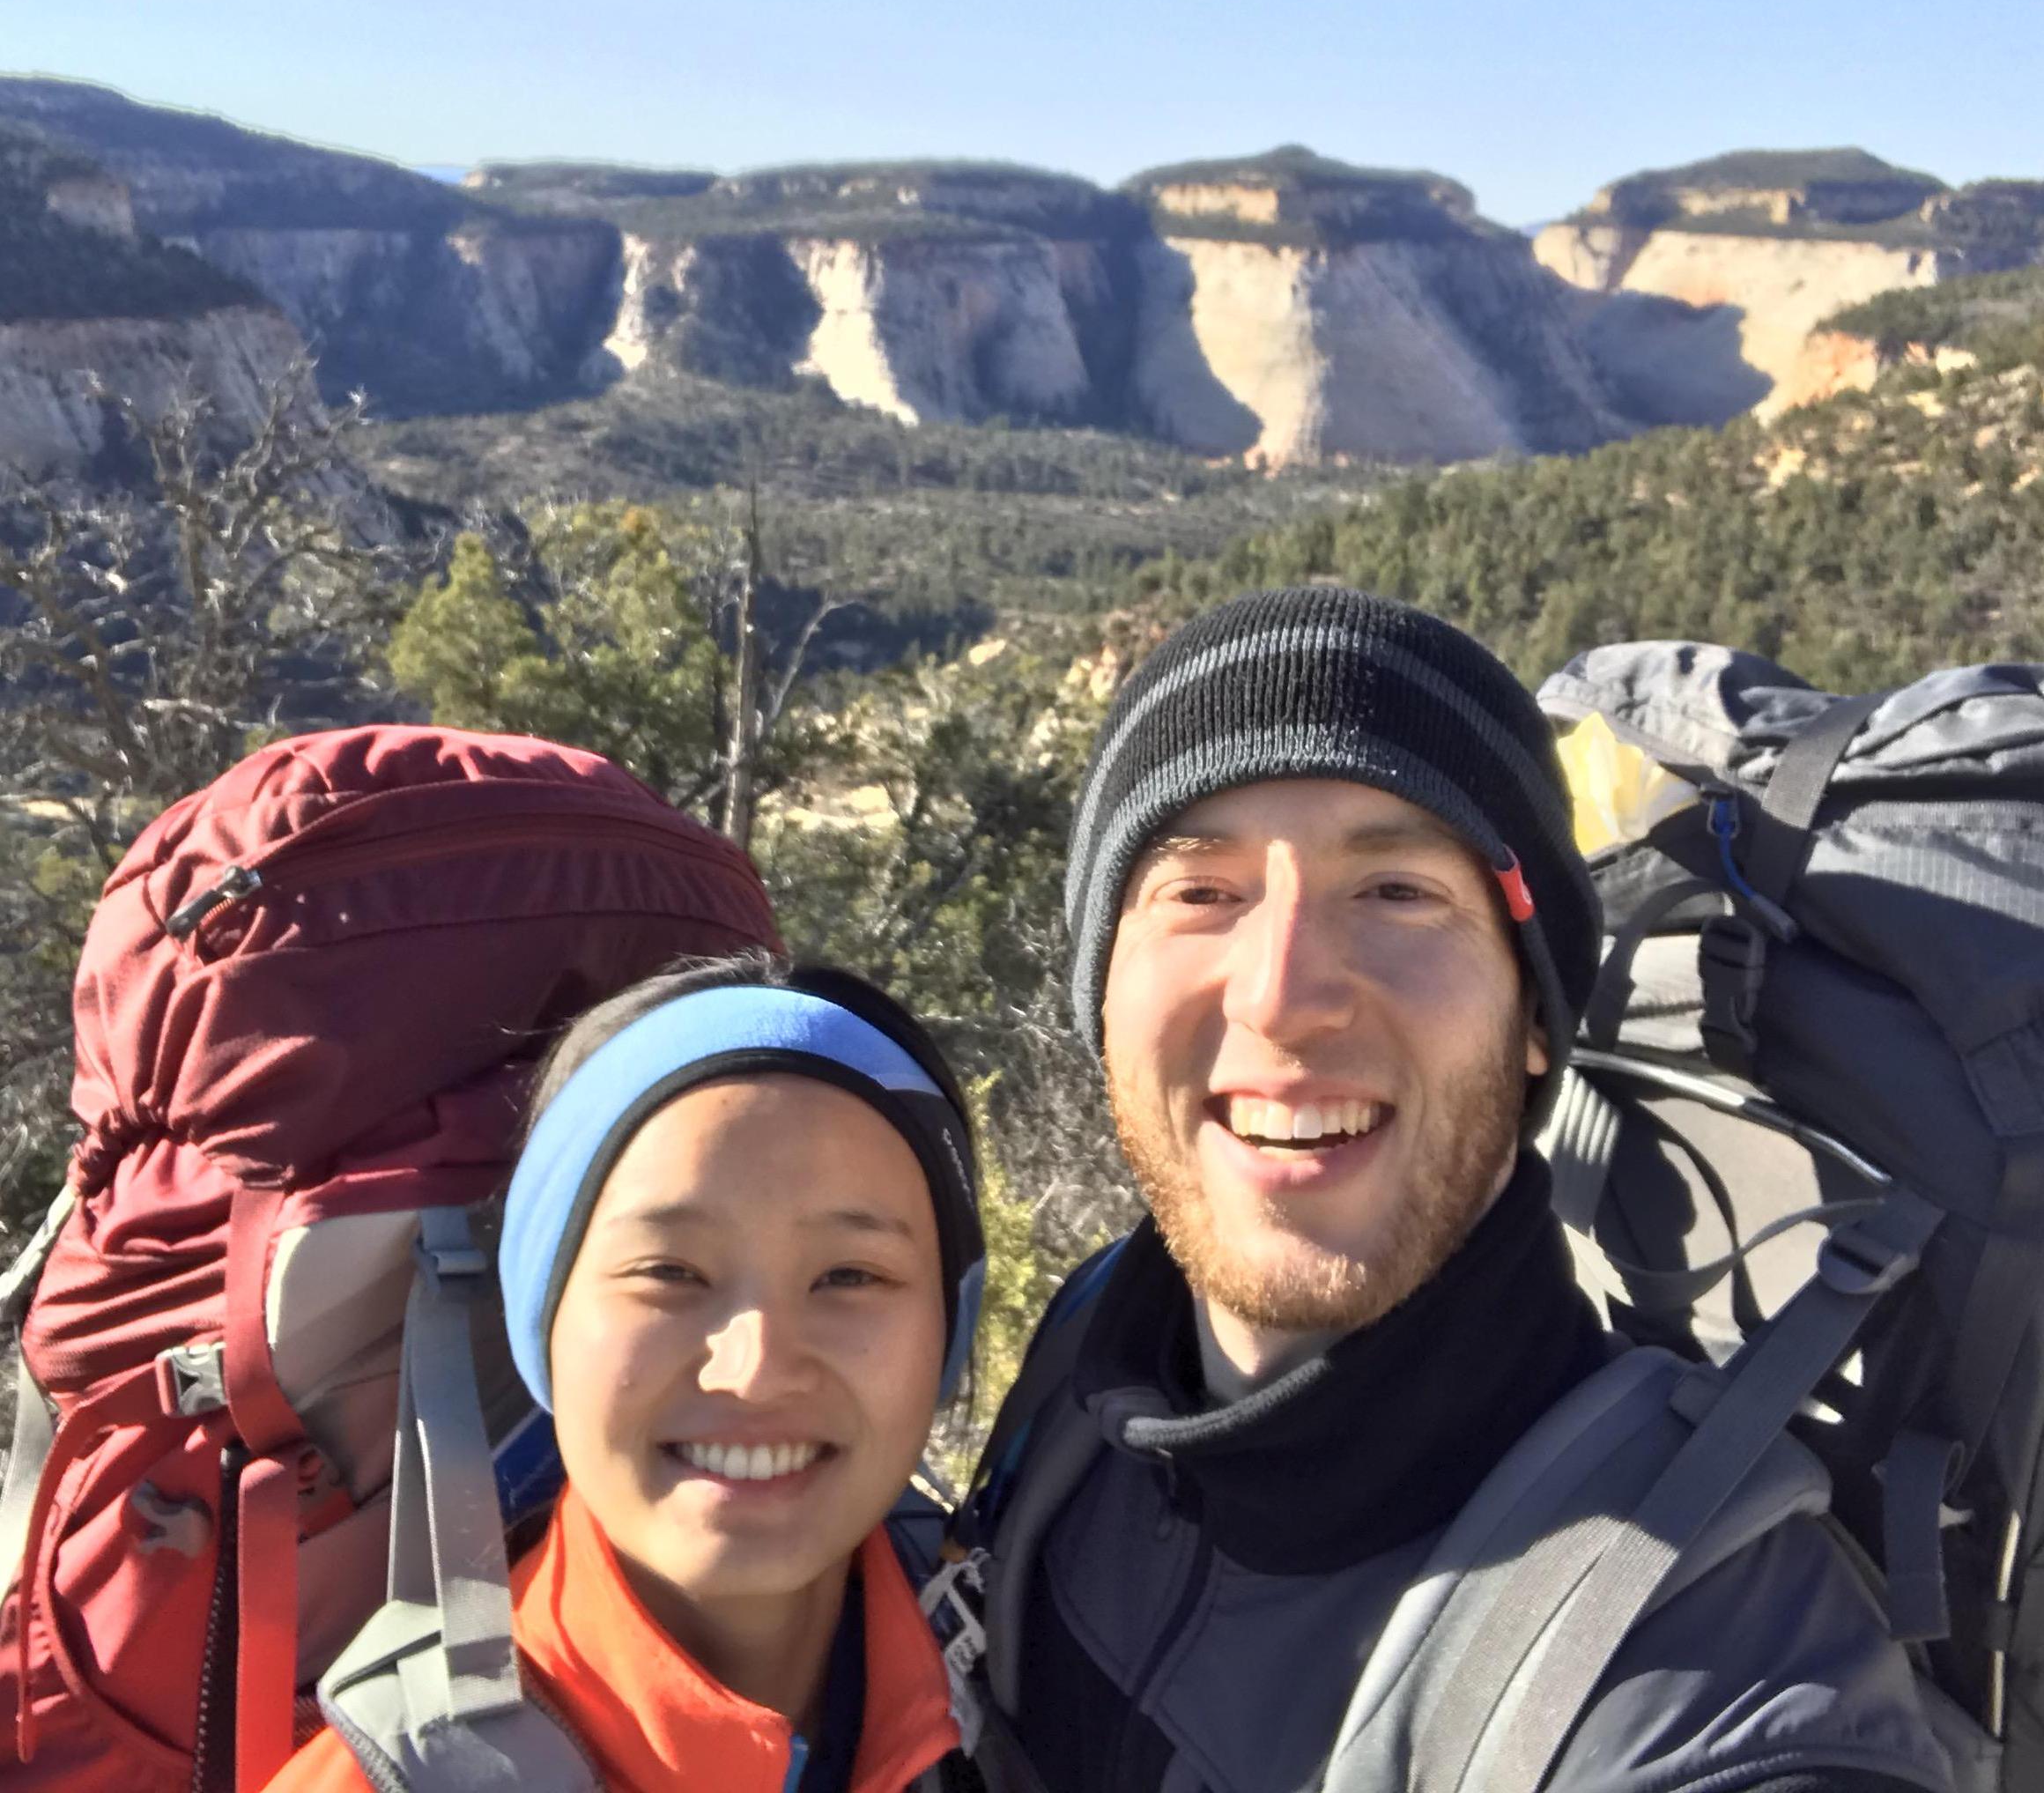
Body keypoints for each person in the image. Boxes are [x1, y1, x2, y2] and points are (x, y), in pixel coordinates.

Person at [966, 587, 1952, 1793]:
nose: (1281, 994)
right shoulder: (1090, 1363)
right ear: (1101, 999)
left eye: (1397, 892)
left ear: (1536, 1012)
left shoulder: (1714, 1680)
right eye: (1200, 894)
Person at [268, 953, 981, 1793]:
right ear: (545, 1318)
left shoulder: (1041, 1688)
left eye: (850, 1276)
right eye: (670, 1273)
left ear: (946, 1328)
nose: (754, 1372)